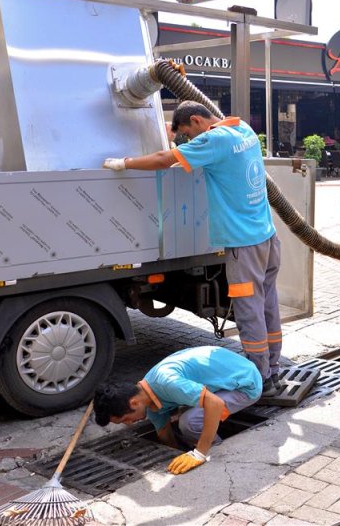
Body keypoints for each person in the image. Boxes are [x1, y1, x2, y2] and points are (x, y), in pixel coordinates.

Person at [103, 101, 283, 396]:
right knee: (268, 305)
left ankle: (259, 378)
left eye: (188, 134)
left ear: (198, 120)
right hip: (267, 237)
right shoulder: (243, 129)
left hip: (243, 244)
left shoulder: (214, 140)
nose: (191, 141)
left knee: (249, 311)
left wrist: (125, 163)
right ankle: (272, 368)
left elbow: (164, 159)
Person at [93, 346, 262, 475]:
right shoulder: (150, 400)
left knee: (189, 422)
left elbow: (215, 403)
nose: (129, 424)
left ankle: (216, 451)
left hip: (245, 383)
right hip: (223, 377)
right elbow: (164, 432)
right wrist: (173, 456)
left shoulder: (167, 382)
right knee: (185, 417)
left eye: (125, 419)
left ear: (134, 403)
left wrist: (198, 454)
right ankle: (203, 445)